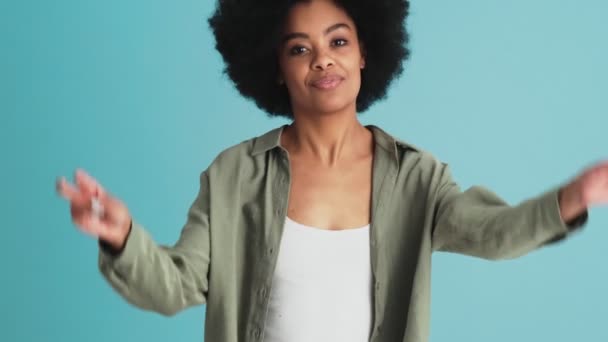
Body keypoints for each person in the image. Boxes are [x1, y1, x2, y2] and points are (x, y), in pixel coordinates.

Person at [56, 0, 608, 341]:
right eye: (300, 48)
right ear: (276, 69)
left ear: (365, 52)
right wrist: (123, 238)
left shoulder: (417, 177)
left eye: (338, 41)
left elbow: (493, 233)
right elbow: (175, 286)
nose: (323, 59)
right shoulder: (233, 177)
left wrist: (573, 196)